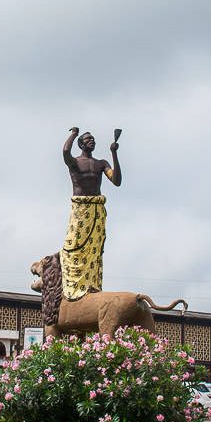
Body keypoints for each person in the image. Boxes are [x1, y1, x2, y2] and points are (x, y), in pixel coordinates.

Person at [60, 128, 122, 301]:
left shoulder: (101, 164)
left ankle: (91, 285)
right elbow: (65, 151)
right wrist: (73, 134)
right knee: (75, 246)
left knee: (94, 249)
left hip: (96, 210)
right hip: (81, 210)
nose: (91, 141)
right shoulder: (74, 162)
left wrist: (114, 153)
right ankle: (73, 284)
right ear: (81, 143)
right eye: (87, 139)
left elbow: (116, 180)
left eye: (93, 139)